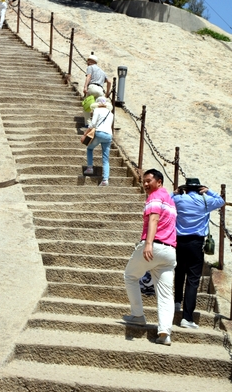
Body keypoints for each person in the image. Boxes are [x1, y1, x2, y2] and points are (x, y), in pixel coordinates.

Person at [123, 169, 177, 346]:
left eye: (149, 181)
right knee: (166, 294)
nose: (145, 184)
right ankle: (164, 333)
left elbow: (154, 219)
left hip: (155, 245)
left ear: (159, 182)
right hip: (170, 250)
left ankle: (138, 315)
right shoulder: (169, 199)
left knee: (130, 276)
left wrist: (148, 243)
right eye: (144, 181)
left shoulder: (155, 196)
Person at [172, 177, 224, 329]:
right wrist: (209, 191)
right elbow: (221, 201)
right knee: (193, 280)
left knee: (179, 272)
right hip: (196, 242)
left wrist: (175, 192)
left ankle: (177, 302)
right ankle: (187, 317)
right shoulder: (206, 201)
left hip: (179, 241)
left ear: (186, 188)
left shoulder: (178, 199)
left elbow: (164, 200)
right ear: (199, 188)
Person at [82, 97, 113, 186]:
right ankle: (105, 179)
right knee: (106, 158)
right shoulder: (111, 113)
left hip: (99, 133)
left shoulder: (97, 110)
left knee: (90, 149)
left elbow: (93, 124)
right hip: (108, 135)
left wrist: (85, 134)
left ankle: (90, 168)